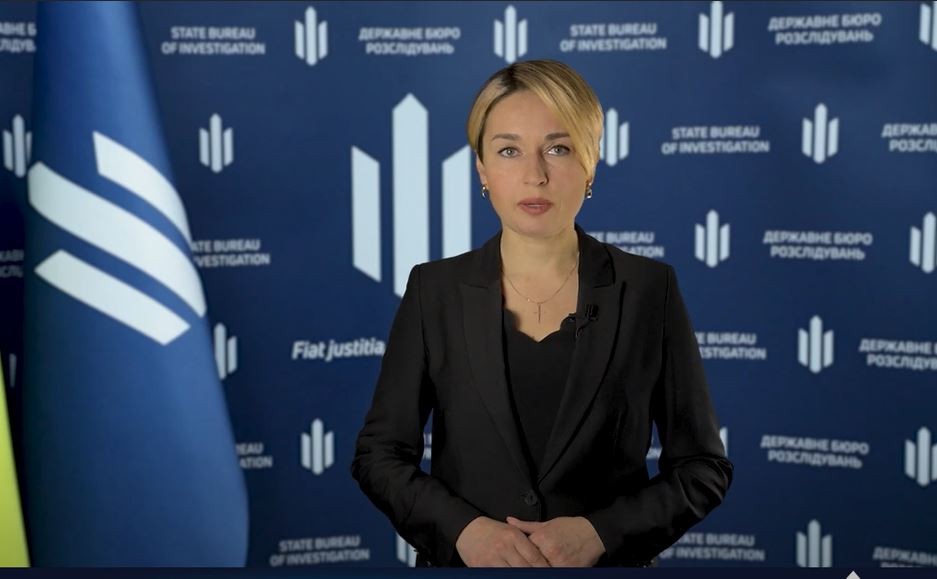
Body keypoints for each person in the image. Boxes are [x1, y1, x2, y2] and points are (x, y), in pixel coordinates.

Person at [351, 59, 732, 567]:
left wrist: (601, 534)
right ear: (482, 169)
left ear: (590, 162)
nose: (535, 176)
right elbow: (378, 455)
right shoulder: (433, 290)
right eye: (508, 150)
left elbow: (702, 468)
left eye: (558, 148)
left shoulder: (648, 290)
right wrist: (463, 533)